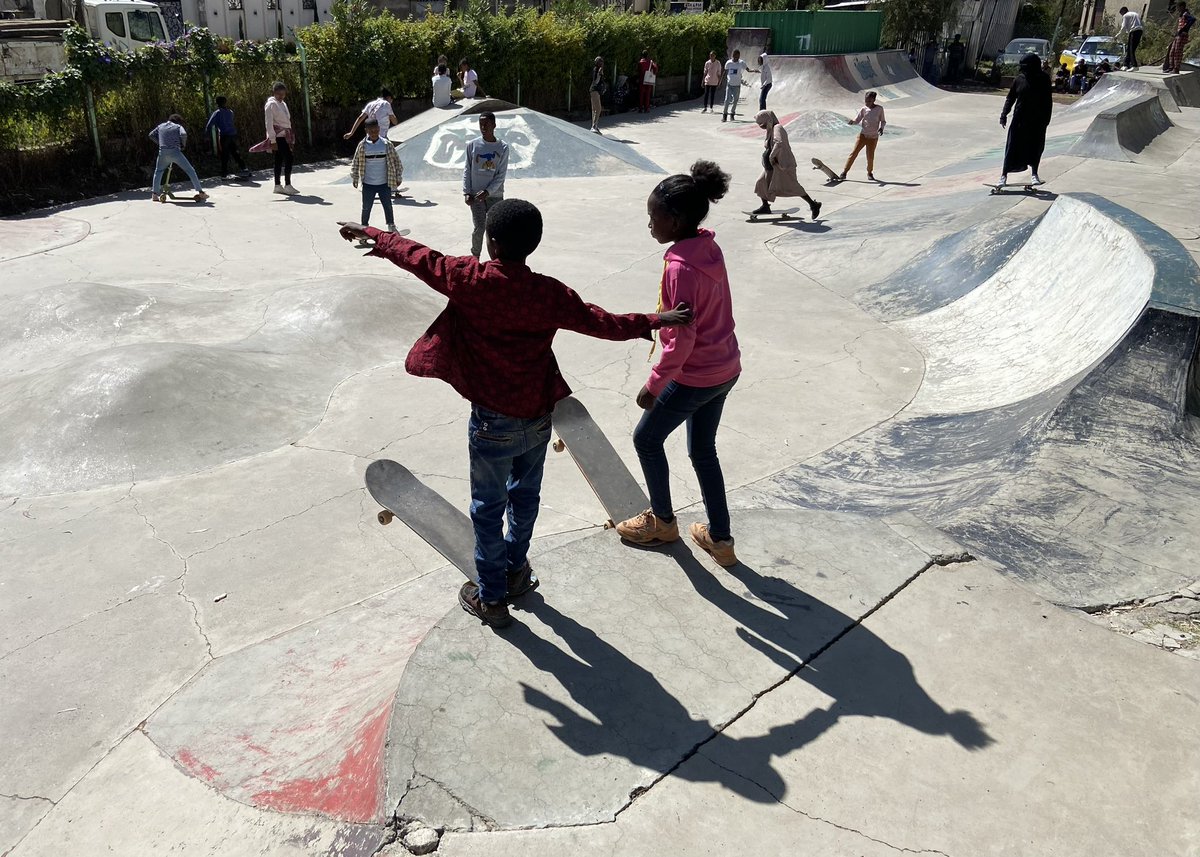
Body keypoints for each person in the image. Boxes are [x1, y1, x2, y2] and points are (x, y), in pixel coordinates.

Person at [335, 203, 692, 628]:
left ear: (491, 242)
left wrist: (374, 234)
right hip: (538, 416)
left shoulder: (470, 280)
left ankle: (492, 599)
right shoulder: (548, 293)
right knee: (524, 497)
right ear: (533, 245)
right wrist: (654, 319)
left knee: (488, 509)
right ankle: (517, 570)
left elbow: (418, 256)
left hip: (491, 424)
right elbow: (602, 322)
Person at [615, 160, 741, 569]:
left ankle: (663, 521)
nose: (649, 224)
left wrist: (652, 385)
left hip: (697, 374)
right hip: (726, 367)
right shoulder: (707, 246)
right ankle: (720, 539)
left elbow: (680, 340)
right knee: (703, 451)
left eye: (654, 217)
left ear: (676, 219)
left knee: (646, 439)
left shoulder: (679, 267)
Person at [751, 111, 822, 220]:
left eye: (762, 124)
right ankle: (765, 206)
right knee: (761, 182)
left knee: (793, 186)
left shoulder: (777, 128)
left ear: (768, 121)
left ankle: (813, 205)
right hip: (772, 166)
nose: (762, 127)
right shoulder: (770, 130)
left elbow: (778, 143)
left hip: (783, 165)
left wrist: (771, 156)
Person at [998, 53, 1052, 187]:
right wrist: (1004, 114)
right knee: (1012, 146)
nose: (1024, 71)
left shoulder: (1044, 79)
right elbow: (1010, 98)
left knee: (1036, 147)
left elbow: (1048, 101)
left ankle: (1034, 174)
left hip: (1037, 121)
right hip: (1019, 119)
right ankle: (1004, 176)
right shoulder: (1019, 79)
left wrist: (1046, 120)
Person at [463, 112, 508, 258]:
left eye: (486, 124)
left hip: (495, 196)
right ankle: (475, 257)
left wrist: (488, 192)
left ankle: (497, 258)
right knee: (480, 227)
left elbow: (501, 175)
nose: (483, 127)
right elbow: (467, 169)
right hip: (476, 195)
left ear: (494, 125)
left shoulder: (503, 147)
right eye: (481, 124)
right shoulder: (472, 145)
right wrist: (467, 192)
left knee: (494, 229)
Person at [351, 118, 401, 234]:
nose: (373, 133)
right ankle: (363, 228)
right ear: (366, 131)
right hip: (368, 184)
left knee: (388, 206)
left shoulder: (386, 144)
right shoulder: (362, 145)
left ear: (379, 129)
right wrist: (355, 177)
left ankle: (391, 225)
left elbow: (397, 161)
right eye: (371, 130)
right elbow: (356, 162)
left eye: (375, 130)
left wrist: (398, 177)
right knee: (366, 208)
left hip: (384, 183)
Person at [249, 81, 297, 195]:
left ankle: (277, 185)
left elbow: (287, 121)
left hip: (285, 135)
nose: (281, 96)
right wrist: (273, 140)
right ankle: (288, 184)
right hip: (278, 136)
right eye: (279, 94)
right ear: (274, 93)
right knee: (289, 158)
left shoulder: (283, 104)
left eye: (283, 94)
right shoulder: (271, 104)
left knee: (279, 160)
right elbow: (269, 123)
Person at [148, 113, 208, 203]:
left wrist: (159, 143)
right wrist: (183, 144)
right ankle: (201, 192)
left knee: (158, 171)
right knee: (190, 170)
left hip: (163, 152)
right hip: (175, 152)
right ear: (178, 121)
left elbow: (151, 135)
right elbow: (184, 134)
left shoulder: (160, 126)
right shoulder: (178, 127)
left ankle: (155, 195)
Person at [841, 90, 886, 181]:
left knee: (870, 157)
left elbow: (883, 120)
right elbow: (857, 120)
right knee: (854, 153)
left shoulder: (879, 109)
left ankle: (869, 173)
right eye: (866, 101)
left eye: (869, 101)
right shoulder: (863, 109)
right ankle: (844, 172)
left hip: (873, 138)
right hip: (863, 135)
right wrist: (852, 122)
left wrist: (881, 128)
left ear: (874, 100)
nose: (867, 103)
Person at [204, 95, 247, 178]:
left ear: (217, 103)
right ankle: (244, 167)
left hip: (224, 135)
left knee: (224, 154)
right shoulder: (230, 112)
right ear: (225, 102)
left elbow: (209, 125)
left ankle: (224, 173)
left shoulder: (217, 113)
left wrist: (206, 135)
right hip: (233, 134)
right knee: (235, 152)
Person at [1164, 2, 1196, 74]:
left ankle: (1176, 68)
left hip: (1182, 35)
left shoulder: (1186, 14)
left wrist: (1184, 29)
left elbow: (1193, 19)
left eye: (1178, 7)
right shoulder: (1182, 15)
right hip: (1178, 35)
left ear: (1182, 7)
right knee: (1172, 51)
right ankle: (1171, 67)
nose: (1178, 9)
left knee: (1177, 52)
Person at [722, 49, 749, 122]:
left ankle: (732, 114)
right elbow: (725, 72)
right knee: (727, 100)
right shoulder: (729, 63)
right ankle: (724, 115)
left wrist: (754, 70)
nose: (736, 58)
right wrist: (720, 82)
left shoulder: (741, 63)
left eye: (738, 56)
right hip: (729, 84)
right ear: (733, 56)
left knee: (735, 101)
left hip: (737, 85)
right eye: (735, 56)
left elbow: (748, 69)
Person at [589, 56, 606, 133]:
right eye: (600, 61)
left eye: (602, 61)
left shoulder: (598, 70)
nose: (601, 63)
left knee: (594, 109)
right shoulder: (596, 70)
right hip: (594, 90)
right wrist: (599, 75)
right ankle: (594, 126)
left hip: (595, 91)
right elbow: (596, 82)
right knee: (598, 108)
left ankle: (594, 126)